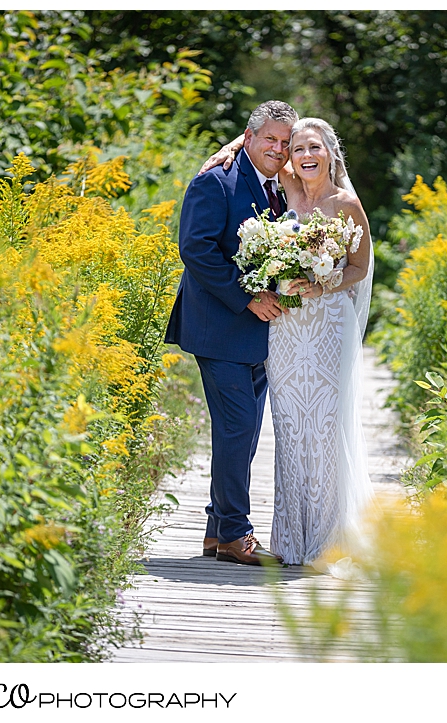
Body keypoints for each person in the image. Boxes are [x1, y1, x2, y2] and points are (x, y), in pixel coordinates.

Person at [200, 117, 375, 576]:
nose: (303, 155)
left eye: (313, 147)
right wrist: (230, 145)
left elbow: (359, 266)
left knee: (324, 426)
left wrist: (325, 283)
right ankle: (293, 539)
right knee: (292, 430)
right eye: (298, 149)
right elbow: (263, 144)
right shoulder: (287, 189)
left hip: (327, 322)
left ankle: (330, 539)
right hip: (285, 328)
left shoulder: (348, 204)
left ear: (330, 153)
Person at [164, 100, 299, 566]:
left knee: (240, 433)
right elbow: (196, 250)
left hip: (260, 336)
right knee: (239, 428)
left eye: (285, 143)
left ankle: (215, 532)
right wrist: (246, 298)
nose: (278, 150)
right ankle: (237, 534)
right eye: (270, 140)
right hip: (219, 328)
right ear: (249, 135)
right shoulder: (215, 180)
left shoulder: (280, 187)